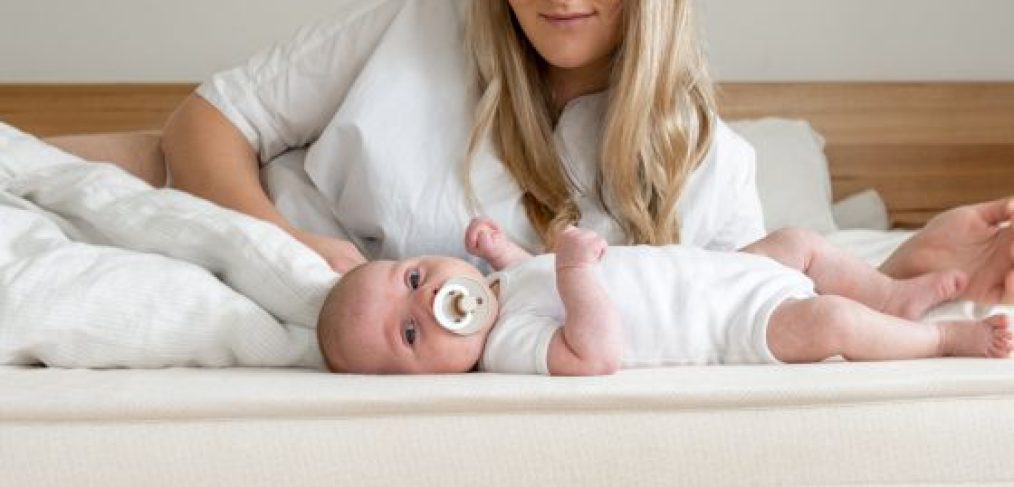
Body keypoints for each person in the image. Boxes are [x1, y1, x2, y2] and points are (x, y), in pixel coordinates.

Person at [161, 0, 1014, 305]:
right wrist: (290, 247)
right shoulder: (418, 24)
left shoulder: (710, 160)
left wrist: (898, 272)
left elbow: (736, 308)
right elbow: (202, 123)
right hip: (216, 221)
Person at [316, 218, 1012, 375]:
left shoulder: (496, 290)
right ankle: (942, 338)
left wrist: (506, 254)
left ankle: (893, 294)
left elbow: (528, 281)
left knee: (799, 239)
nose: (433, 297)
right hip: (735, 324)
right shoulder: (503, 350)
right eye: (412, 334)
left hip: (722, 272)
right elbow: (596, 352)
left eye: (412, 278)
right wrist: (573, 273)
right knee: (829, 319)